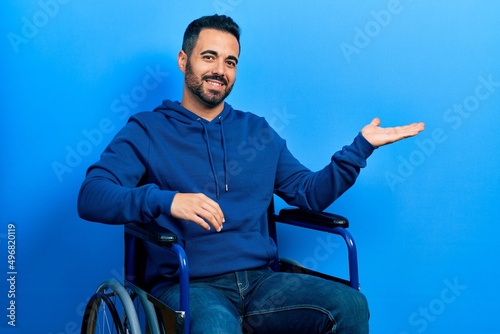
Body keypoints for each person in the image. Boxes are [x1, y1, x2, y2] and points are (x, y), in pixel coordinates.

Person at [78, 14, 424, 334]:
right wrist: (165, 201)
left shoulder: (257, 133)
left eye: (230, 62)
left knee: (349, 304)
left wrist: (360, 148)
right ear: (184, 61)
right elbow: (92, 196)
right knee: (216, 328)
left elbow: (309, 193)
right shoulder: (149, 130)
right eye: (209, 57)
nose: (220, 70)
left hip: (261, 282)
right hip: (188, 285)